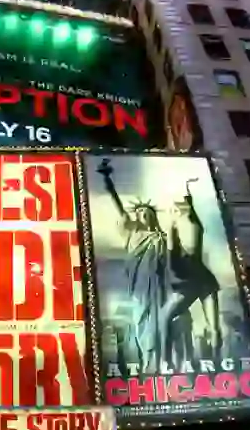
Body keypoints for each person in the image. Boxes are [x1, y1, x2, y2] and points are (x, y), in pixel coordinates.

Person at [96, 159, 223, 374]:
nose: (142, 216)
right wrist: (109, 185)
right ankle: (149, 364)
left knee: (167, 321)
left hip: (162, 288)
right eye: (139, 214)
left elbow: (180, 257)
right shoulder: (132, 235)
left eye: (147, 213)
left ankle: (167, 363)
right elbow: (121, 212)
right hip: (140, 290)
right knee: (142, 326)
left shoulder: (162, 238)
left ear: (153, 217)